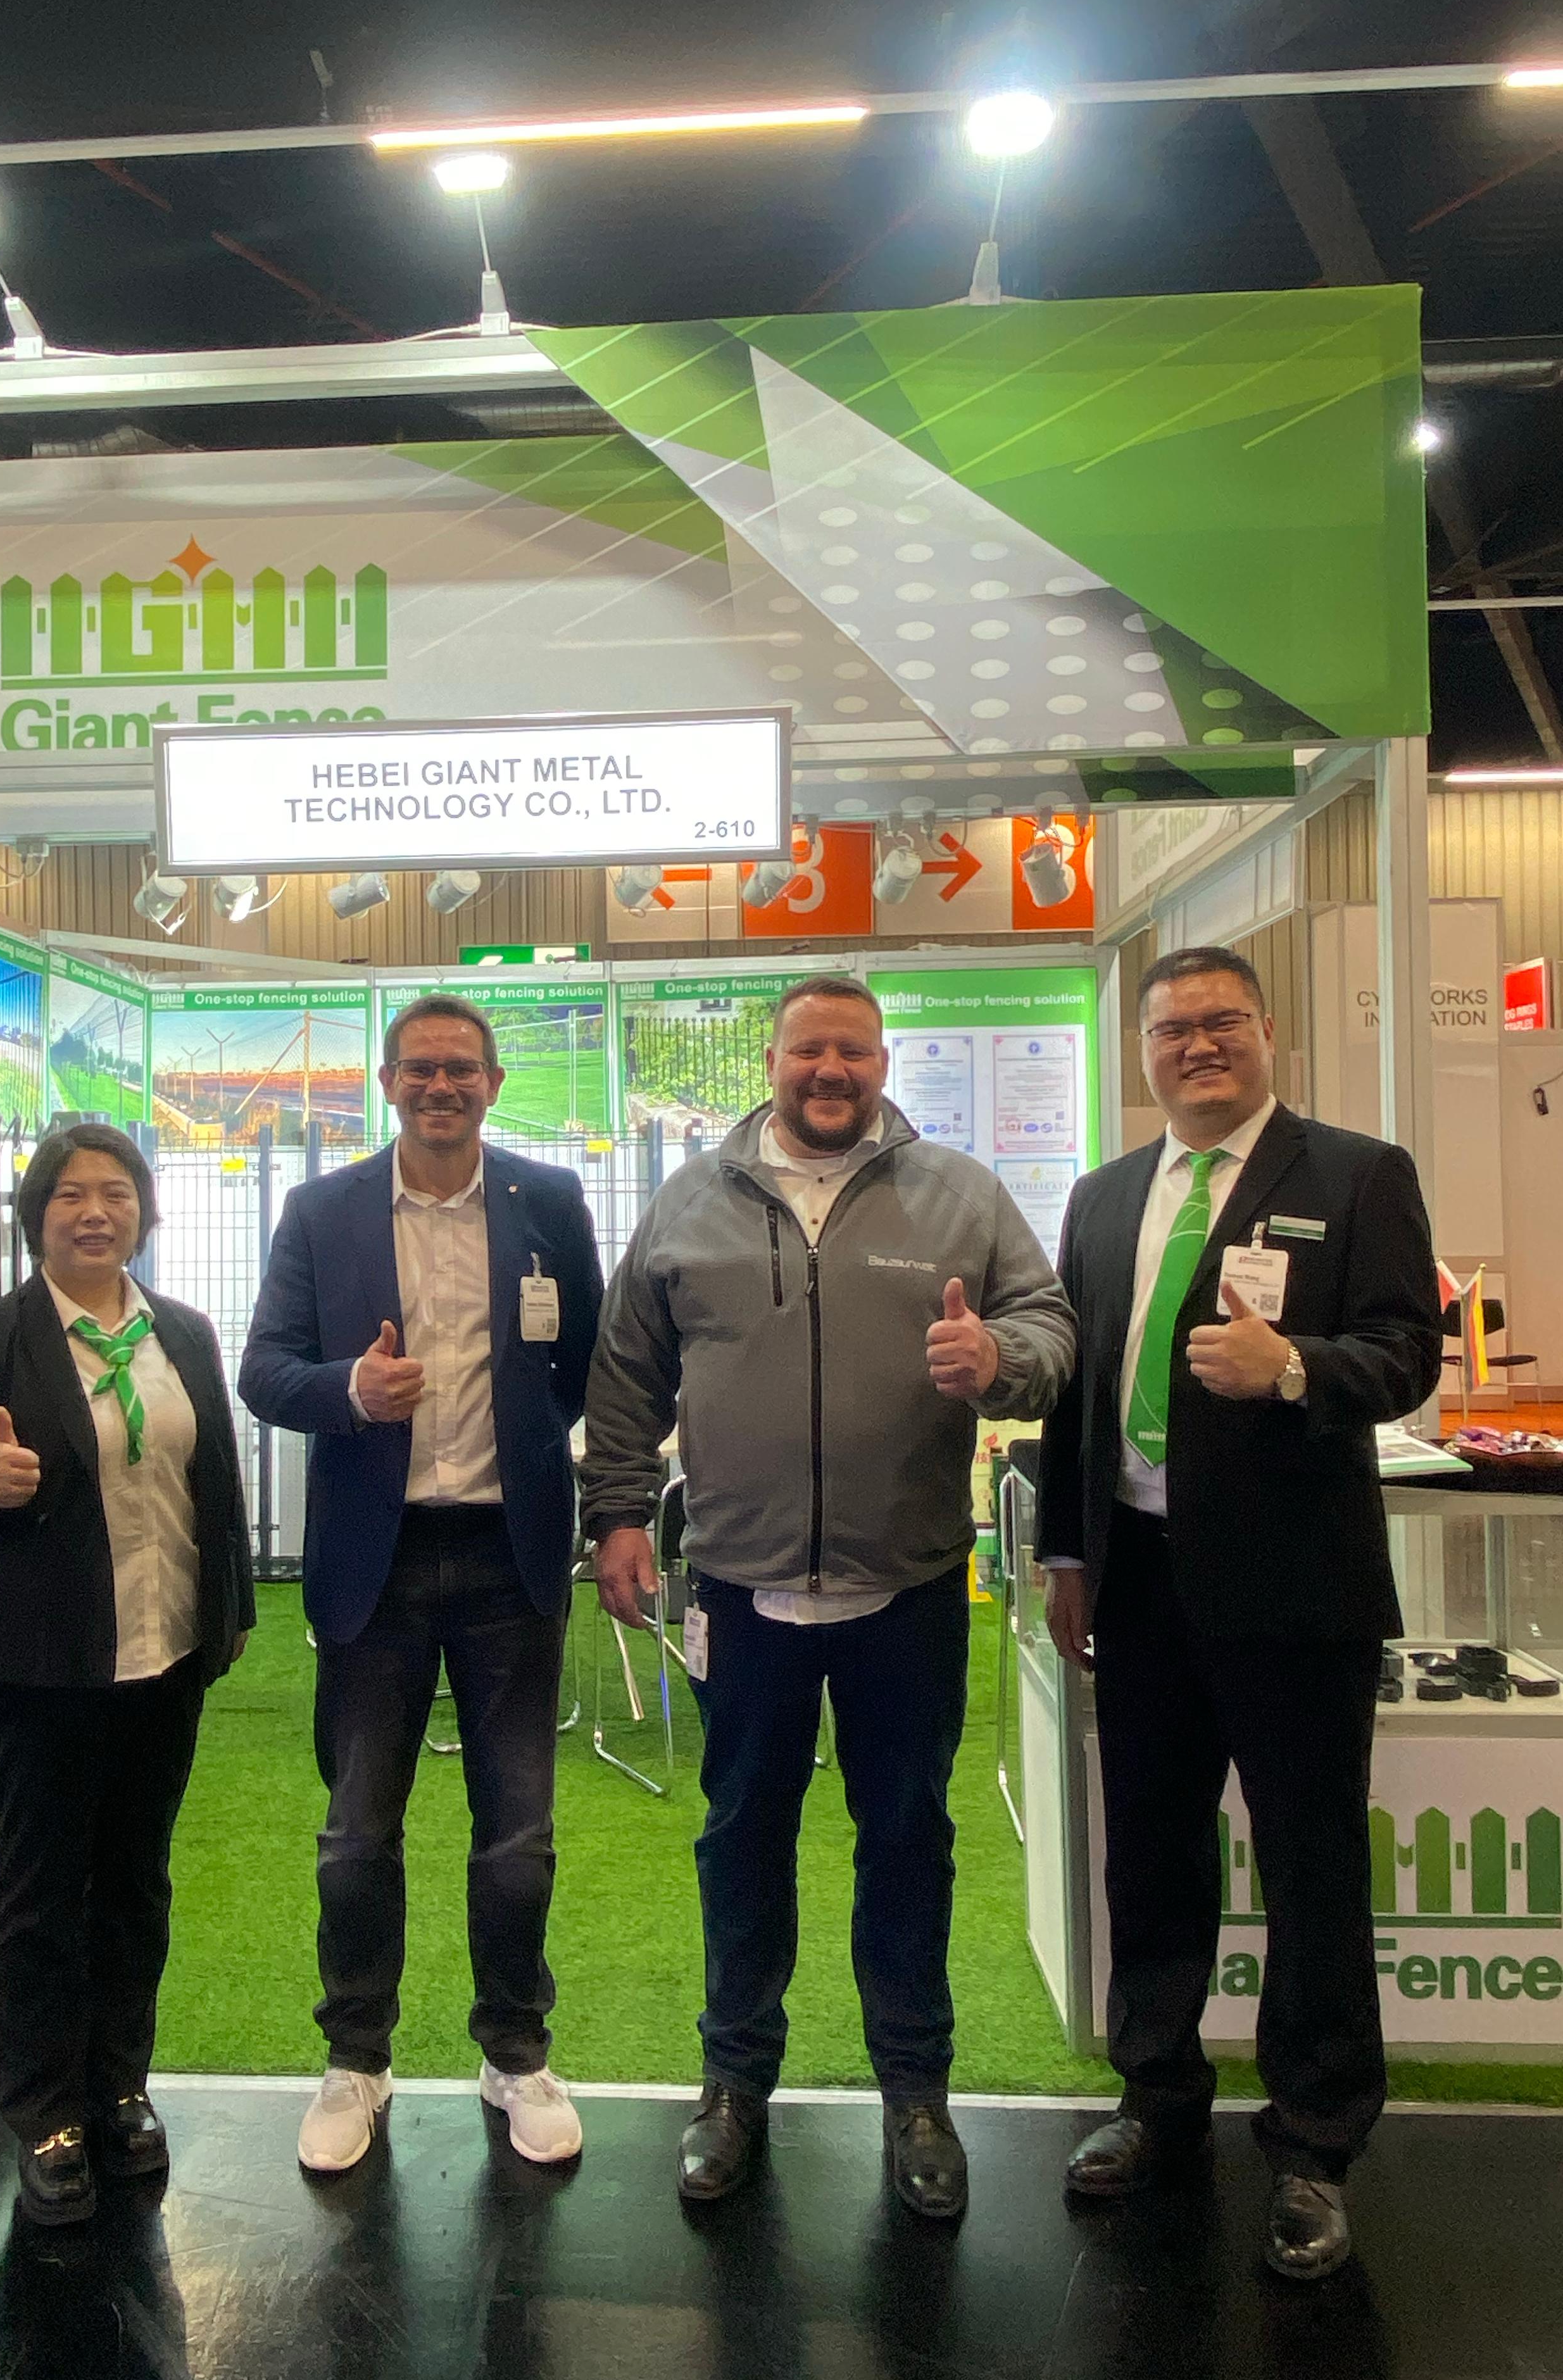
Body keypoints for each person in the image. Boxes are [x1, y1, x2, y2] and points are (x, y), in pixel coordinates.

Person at [583, 975, 1076, 2214]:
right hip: (740, 1593)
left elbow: (1052, 1325)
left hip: (905, 1588)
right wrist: (620, 1517)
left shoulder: (959, 1194)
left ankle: (916, 2095)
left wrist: (999, 1358)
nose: (830, 1071)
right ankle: (733, 2084)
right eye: (810, 1049)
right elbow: (627, 1376)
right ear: (774, 1058)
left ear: (881, 1063)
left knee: (907, 1840)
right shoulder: (691, 1201)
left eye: (852, 1051)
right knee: (739, 1837)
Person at [1037, 945, 1442, 2281]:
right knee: (1149, 1852)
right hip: (1138, 1577)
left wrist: (1294, 1370)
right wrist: (1064, 1552)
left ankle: (1318, 2145)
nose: (1197, 1047)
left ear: (1267, 1032)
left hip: (1294, 1589)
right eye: (1172, 1031)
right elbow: (1075, 1397)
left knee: (1313, 1864)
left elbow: (1405, 1358)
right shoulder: (1102, 1199)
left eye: (1221, 1025)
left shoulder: (1355, 1175)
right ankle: (1156, 2098)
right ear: (1143, 1051)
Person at [240, 993, 603, 2173]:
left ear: (494, 1085)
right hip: (373, 1565)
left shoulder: (548, 1204)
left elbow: (583, 1365)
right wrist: (350, 1390)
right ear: (387, 1084)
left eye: (462, 1070)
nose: (441, 1087)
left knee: (519, 1839)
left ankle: (515, 2052)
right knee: (355, 1838)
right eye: (420, 1070)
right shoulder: (321, 1211)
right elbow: (262, 1373)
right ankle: (357, 2063)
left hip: (509, 1557)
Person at [0, 1122, 256, 2227]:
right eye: (70, 1196)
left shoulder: (183, 1335)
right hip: (41, 1669)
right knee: (39, 1895)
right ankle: (47, 2115)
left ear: (144, 1212)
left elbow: (214, 1486)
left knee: (136, 1883)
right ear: (37, 1216)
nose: (95, 1212)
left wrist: (226, 1618)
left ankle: (119, 2086)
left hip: (162, 1659)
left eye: (115, 1193)